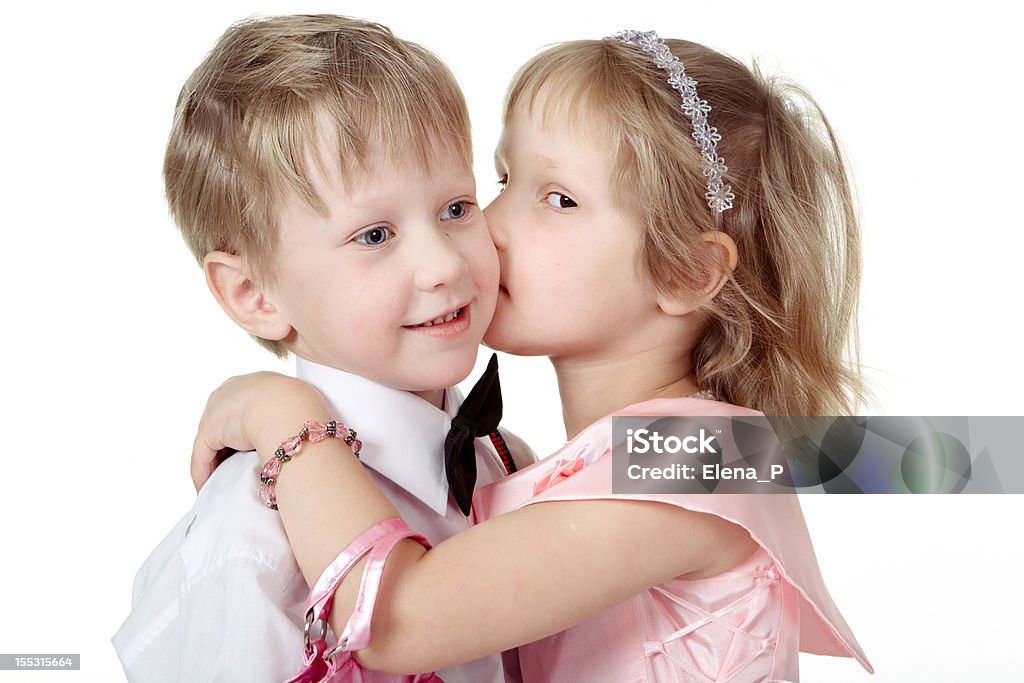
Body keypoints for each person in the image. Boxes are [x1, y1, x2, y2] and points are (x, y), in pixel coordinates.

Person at [192, 31, 874, 681]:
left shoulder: (698, 455)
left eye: (558, 198)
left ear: (685, 272)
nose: (487, 226)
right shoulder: (548, 463)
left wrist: (279, 411)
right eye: (499, 180)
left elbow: (399, 622)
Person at [111, 14, 531, 683]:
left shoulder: (508, 463)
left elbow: (749, 462)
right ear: (254, 293)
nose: (444, 266)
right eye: (374, 235)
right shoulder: (255, 541)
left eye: (457, 207)